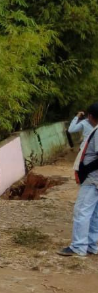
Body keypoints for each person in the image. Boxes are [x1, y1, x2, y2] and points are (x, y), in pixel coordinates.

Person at [59, 102, 98, 256]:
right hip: (94, 179)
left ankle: (78, 247)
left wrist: (85, 170)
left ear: (90, 116)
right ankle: (91, 246)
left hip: (93, 179)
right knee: (94, 213)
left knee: (82, 211)